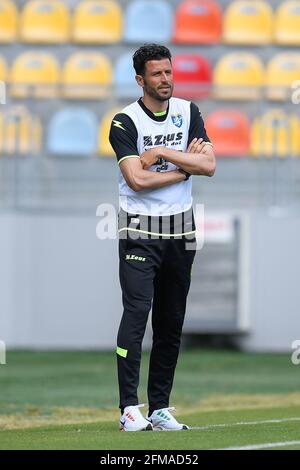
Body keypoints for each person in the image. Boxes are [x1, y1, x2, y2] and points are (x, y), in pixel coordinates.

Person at [109, 44, 216, 432]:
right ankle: (128, 409)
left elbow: (210, 164)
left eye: (168, 72)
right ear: (140, 79)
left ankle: (159, 407)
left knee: (171, 321)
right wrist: (184, 170)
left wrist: (158, 154)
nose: (165, 79)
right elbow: (136, 180)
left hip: (181, 229)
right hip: (139, 228)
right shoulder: (124, 121)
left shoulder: (189, 111)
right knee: (137, 315)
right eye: (156, 74)